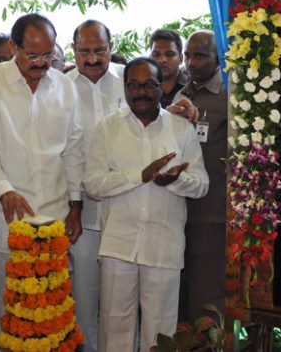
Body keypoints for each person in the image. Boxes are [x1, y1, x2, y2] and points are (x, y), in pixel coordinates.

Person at [0, 13, 84, 352]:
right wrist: (5, 189)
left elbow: (73, 149)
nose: (42, 63)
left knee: (51, 317)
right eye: (33, 56)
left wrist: (76, 206)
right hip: (2, 225)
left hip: (54, 221)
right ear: (13, 47)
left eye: (49, 55)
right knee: (3, 317)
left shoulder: (64, 86)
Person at [83, 57, 208, 352]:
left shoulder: (181, 129)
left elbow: (202, 185)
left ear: (161, 87)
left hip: (163, 245)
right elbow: (93, 184)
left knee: (161, 334)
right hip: (118, 245)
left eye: (149, 85)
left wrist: (174, 181)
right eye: (134, 86)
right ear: (125, 89)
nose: (141, 92)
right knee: (114, 329)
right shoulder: (107, 129)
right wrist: (140, 176)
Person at [66, 20, 125, 352]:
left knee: (122, 296)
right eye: (84, 51)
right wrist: (74, 205)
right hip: (83, 212)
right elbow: (66, 152)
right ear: (73, 50)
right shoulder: (59, 86)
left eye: (99, 51)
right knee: (84, 294)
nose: (92, 59)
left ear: (110, 47)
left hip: (125, 207)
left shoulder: (130, 80)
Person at [173, 30, 228, 322]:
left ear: (218, 58)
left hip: (210, 214)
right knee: (180, 294)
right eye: (188, 56)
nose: (191, 63)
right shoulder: (182, 95)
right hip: (177, 209)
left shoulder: (228, 97)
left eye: (200, 55)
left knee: (206, 297)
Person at [149, 29, 188, 108]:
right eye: (156, 54)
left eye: (169, 54)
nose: (162, 60)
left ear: (180, 59)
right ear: (150, 58)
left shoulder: (191, 87)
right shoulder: (142, 88)